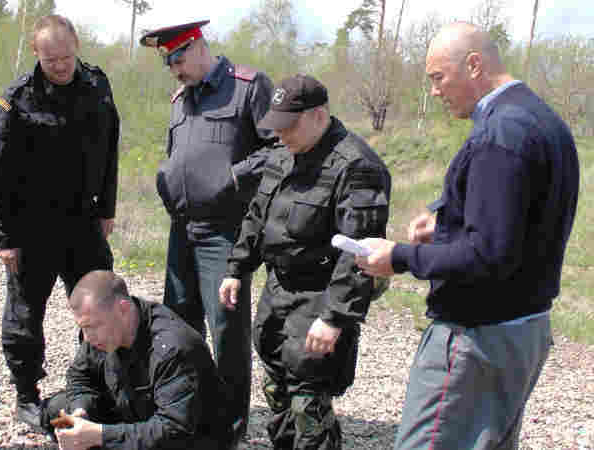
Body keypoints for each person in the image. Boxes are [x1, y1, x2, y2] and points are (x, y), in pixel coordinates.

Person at [357, 22, 579, 450]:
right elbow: (518, 226)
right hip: (524, 327)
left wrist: (399, 257)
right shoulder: (542, 120)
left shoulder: (501, 134)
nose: (435, 92)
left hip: (478, 337)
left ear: (473, 64)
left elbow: (487, 255)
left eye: (438, 77)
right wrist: (444, 228)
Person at [219, 74, 391, 450]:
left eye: (289, 126)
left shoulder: (357, 166)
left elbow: (359, 253)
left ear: (318, 115)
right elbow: (257, 215)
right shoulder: (283, 155)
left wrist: (334, 318)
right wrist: (237, 268)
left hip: (322, 291)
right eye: (276, 126)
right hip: (279, 287)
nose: (281, 135)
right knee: (276, 384)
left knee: (308, 396)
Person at [138, 20, 277, 437]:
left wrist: (234, 177)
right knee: (178, 325)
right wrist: (167, 177)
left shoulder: (248, 86)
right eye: (169, 63)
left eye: (178, 58)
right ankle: (187, 415)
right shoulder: (180, 98)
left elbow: (279, 148)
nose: (174, 69)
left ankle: (229, 428)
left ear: (198, 47)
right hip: (181, 229)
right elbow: (178, 154)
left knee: (226, 331)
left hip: (226, 232)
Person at [0, 14, 120, 439]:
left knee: (100, 302)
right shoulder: (18, 99)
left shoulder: (98, 85)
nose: (60, 66)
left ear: (76, 45)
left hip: (83, 222)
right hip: (32, 227)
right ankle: (27, 394)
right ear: (36, 55)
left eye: (65, 57)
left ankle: (94, 386)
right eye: (50, 59)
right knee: (26, 314)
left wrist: (107, 208)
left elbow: (111, 147)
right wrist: (3, 237)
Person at [39, 270, 240, 450]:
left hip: (189, 438)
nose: (88, 337)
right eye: (83, 327)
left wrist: (100, 435)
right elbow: (81, 375)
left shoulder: (172, 347)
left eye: (92, 326)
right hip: (136, 412)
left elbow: (174, 430)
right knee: (58, 411)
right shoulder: (102, 331)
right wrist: (81, 411)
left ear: (123, 308)